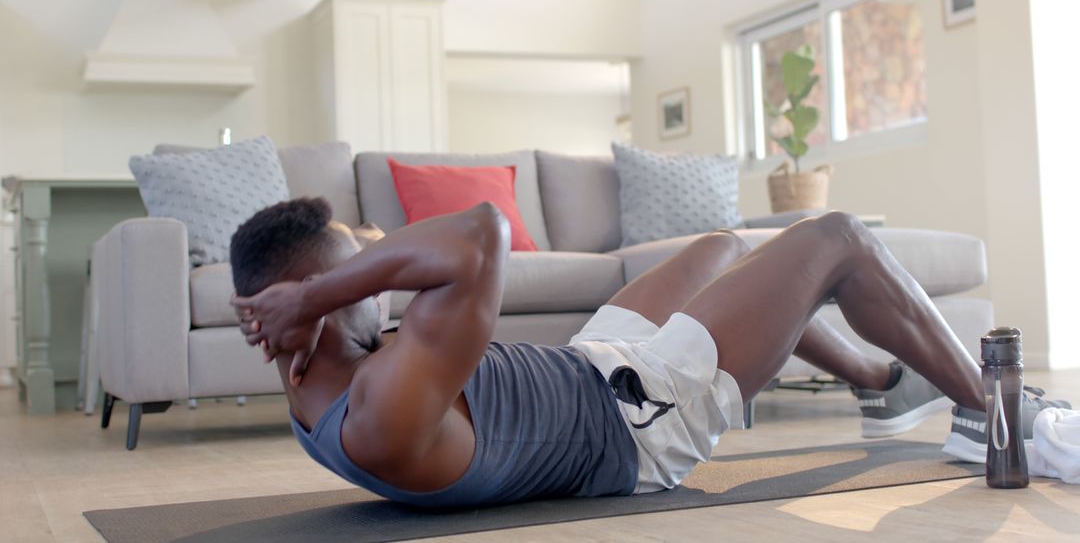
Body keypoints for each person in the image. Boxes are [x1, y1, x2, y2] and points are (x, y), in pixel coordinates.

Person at [229, 198, 1067, 507]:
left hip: (591, 366)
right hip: (634, 422)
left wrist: (321, 294)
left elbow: (437, 259)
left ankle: (882, 381)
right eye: (350, 277)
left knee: (726, 246)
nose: (372, 288)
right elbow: (480, 235)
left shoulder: (318, 374)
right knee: (837, 237)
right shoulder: (375, 412)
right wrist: (314, 295)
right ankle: (996, 418)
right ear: (306, 305)